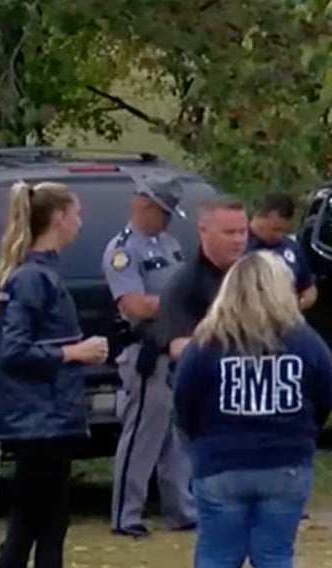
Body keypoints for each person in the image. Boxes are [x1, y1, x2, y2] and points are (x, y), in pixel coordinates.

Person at [173, 251, 332, 568]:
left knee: (216, 556)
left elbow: (184, 400)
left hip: (221, 462)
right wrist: (302, 433)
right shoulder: (305, 341)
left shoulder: (207, 341)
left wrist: (202, 442)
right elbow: (326, 394)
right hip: (286, 463)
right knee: (275, 556)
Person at [0, 181, 109, 568]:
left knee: (37, 521)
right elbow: (14, 351)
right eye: (76, 213)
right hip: (39, 419)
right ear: (57, 218)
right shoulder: (33, 278)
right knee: (41, 524)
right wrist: (73, 352)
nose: (80, 222)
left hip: (46, 416)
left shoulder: (38, 274)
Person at [155, 194, 256, 568]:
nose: (239, 240)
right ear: (203, 232)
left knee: (247, 521)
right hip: (205, 415)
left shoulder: (253, 276)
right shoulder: (186, 284)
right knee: (217, 520)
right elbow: (176, 345)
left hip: (251, 411)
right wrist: (224, 336)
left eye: (242, 231)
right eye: (230, 232)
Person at [101, 174, 195, 538]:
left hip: (174, 349)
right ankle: (126, 514)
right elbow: (134, 304)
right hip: (145, 351)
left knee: (174, 435)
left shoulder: (169, 244)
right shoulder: (124, 251)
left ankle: (181, 508)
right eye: (163, 211)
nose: (168, 219)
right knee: (142, 434)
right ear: (144, 205)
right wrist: (175, 304)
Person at [247, 194, 318, 310]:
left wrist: (299, 304)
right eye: (275, 229)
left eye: (283, 230)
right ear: (258, 216)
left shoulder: (290, 246)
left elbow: (309, 288)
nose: (279, 236)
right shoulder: (237, 244)